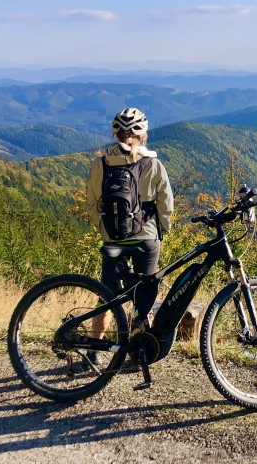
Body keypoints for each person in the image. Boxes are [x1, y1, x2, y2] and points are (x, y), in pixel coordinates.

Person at [86, 107, 174, 348]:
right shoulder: (154, 165)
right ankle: (140, 349)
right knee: (143, 298)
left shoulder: (100, 164)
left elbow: (92, 203)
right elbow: (165, 205)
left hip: (112, 239)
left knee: (106, 296)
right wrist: (162, 231)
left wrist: (104, 229)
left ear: (115, 135)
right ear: (143, 135)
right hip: (146, 239)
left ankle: (95, 348)